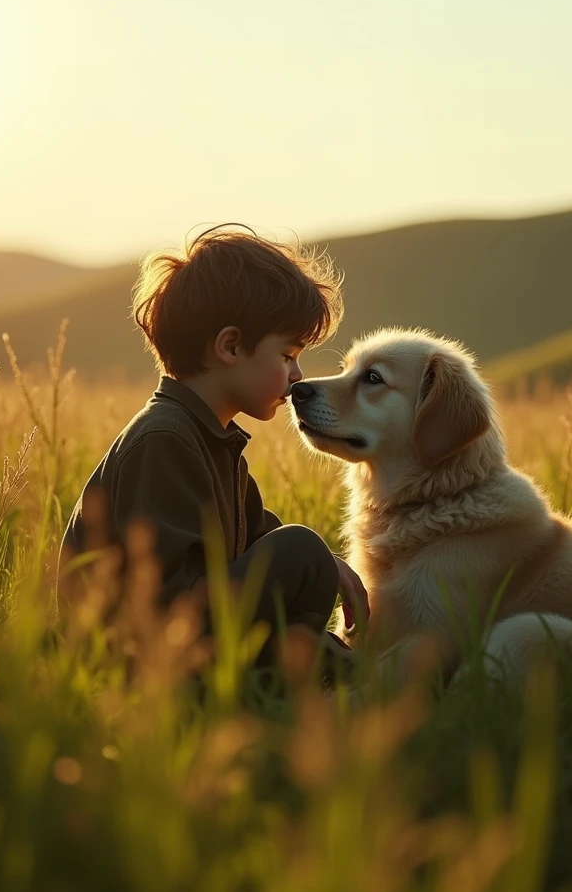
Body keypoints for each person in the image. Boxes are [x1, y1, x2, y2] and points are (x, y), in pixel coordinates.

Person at [56, 224, 369, 676]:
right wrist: (312, 558)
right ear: (230, 346)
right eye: (287, 356)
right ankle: (279, 678)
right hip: (134, 666)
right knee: (302, 547)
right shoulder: (164, 440)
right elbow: (167, 604)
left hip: (186, 642)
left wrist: (326, 564)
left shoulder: (211, 440)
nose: (298, 375)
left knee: (306, 555)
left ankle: (305, 669)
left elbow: (256, 543)